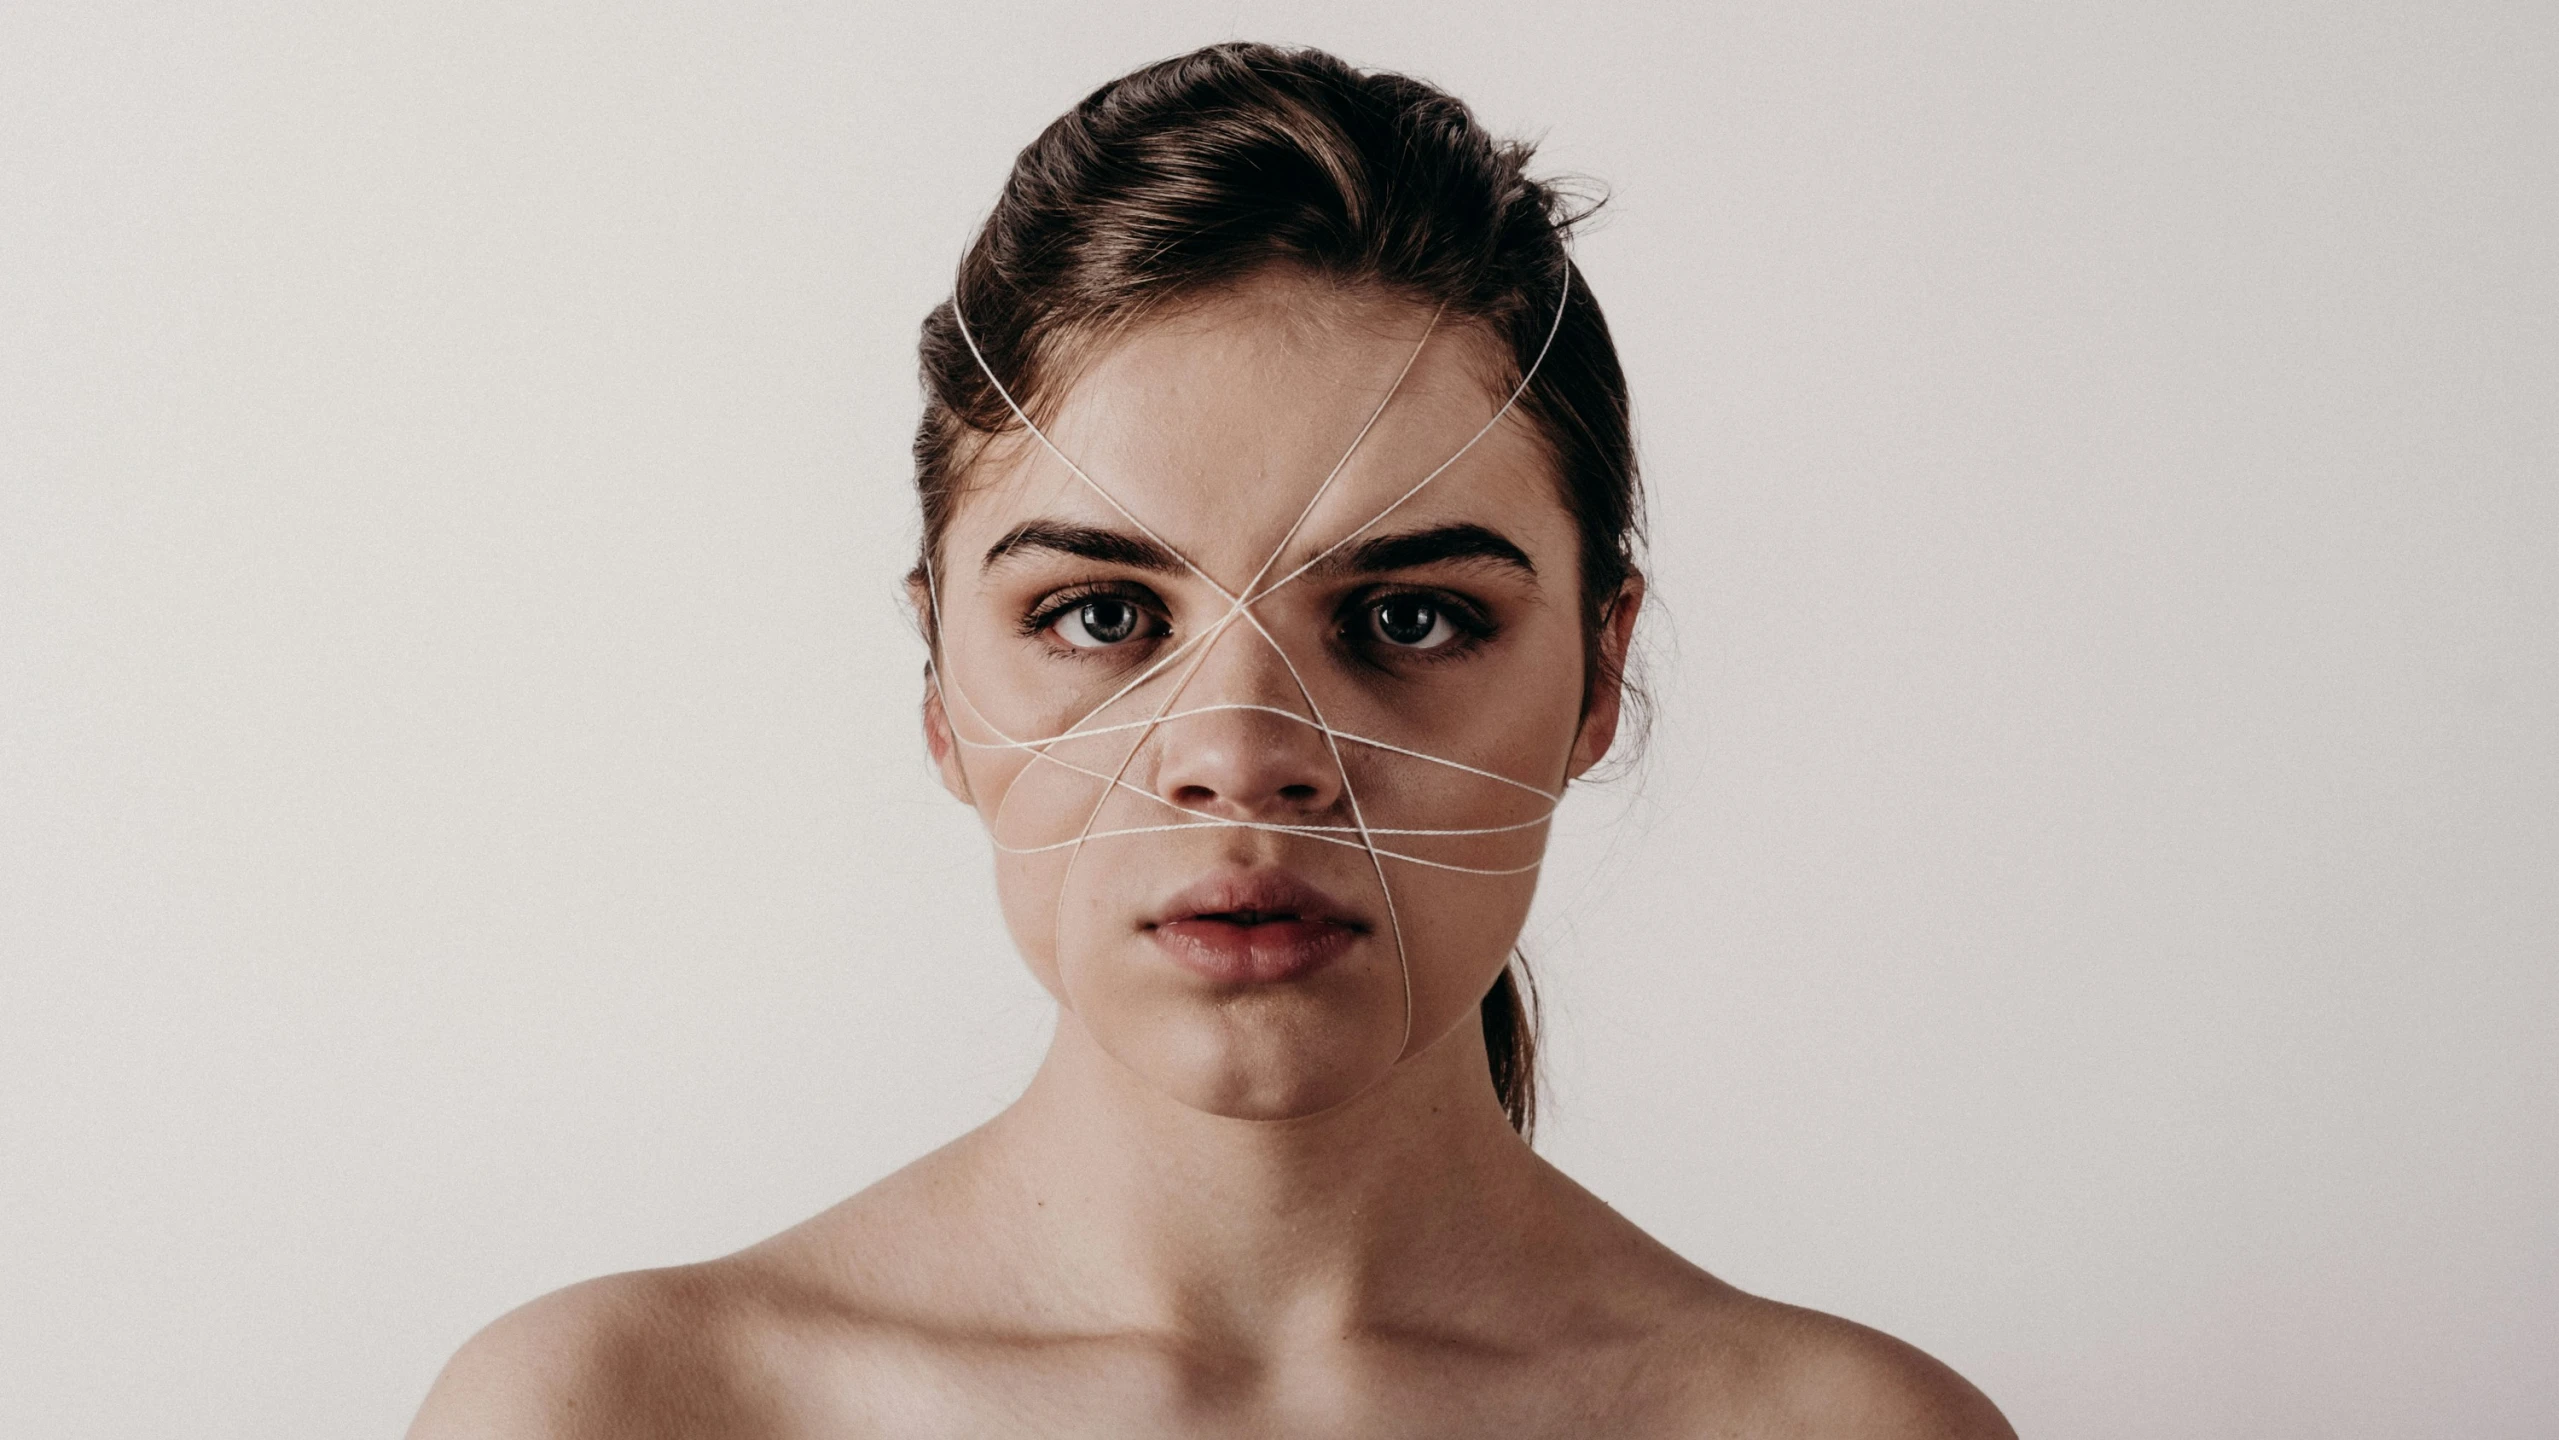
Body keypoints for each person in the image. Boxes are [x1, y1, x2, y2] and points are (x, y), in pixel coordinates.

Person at [409, 42, 2013, 1438]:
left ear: (1598, 676)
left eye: (1406, 618)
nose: (1242, 757)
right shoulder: (623, 1415)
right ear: (937, 689)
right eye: (1104, 617)